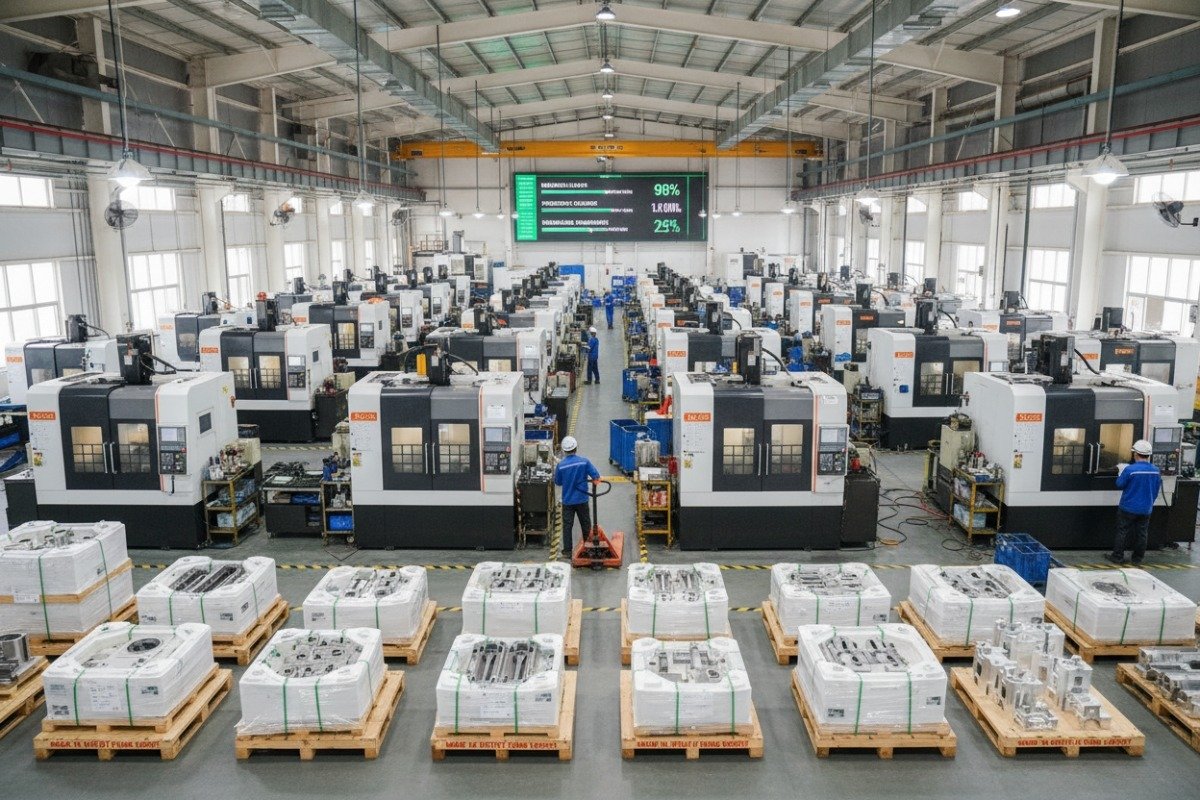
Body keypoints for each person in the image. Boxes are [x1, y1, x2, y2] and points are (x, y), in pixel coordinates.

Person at [1107, 439, 1162, 565]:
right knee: (1142, 533)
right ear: (1149, 455)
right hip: (1146, 509)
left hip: (1128, 507)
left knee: (1122, 531)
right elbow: (1156, 490)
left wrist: (1121, 472)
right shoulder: (1156, 470)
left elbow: (1119, 484)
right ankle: (1137, 559)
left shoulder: (1130, 470)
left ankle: (1118, 557)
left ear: (1135, 454)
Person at [554, 436, 600, 553]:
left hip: (568, 501)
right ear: (576, 448)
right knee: (585, 524)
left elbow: (558, 482)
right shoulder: (584, 462)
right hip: (582, 499)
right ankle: (589, 548)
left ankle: (568, 551)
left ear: (564, 450)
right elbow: (596, 476)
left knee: (567, 526)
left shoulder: (561, 465)